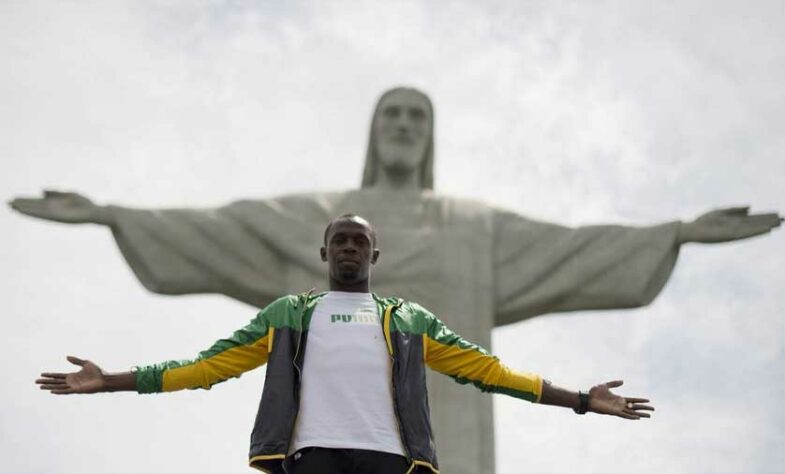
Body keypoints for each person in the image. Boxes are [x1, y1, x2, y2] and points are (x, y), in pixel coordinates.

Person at [15, 87, 778, 472]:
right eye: (392, 115)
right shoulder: (302, 247)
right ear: (328, 248)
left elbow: (569, 253)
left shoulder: (471, 228)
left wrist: (674, 233)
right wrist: (111, 214)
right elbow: (217, 239)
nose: (405, 127)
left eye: (418, 115)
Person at [37, 214, 655, 474]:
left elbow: (487, 371)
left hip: (393, 460)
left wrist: (578, 399)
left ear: (375, 255)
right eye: (341, 240)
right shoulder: (290, 315)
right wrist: (111, 379)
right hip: (313, 458)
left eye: (361, 241)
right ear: (325, 252)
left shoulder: (407, 319)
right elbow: (204, 368)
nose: (351, 248)